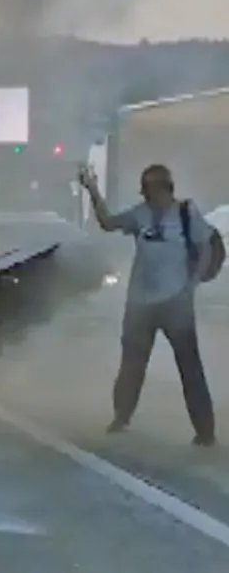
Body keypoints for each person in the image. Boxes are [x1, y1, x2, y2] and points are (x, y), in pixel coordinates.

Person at [77, 163, 216, 446]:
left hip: (176, 302)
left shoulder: (187, 214)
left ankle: (205, 430)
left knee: (190, 367)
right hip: (141, 302)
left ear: (165, 188)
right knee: (132, 362)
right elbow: (109, 223)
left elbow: (205, 248)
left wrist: (193, 283)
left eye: (152, 189)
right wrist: (92, 190)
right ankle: (121, 416)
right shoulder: (140, 215)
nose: (148, 195)